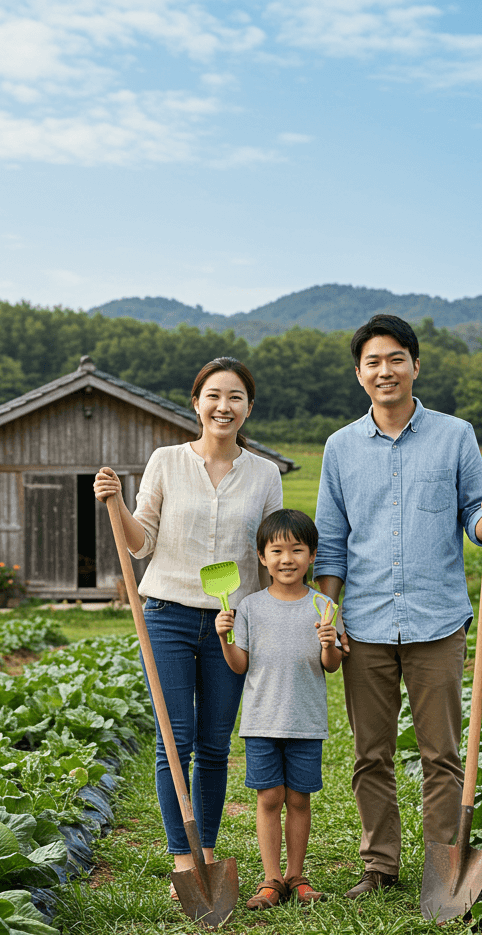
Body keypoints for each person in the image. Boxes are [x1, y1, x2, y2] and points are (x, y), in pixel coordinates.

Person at [313, 313, 482, 899]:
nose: (385, 370)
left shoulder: (454, 435)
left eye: (396, 358)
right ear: (359, 374)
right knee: (370, 754)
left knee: (440, 753)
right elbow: (330, 538)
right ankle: (380, 866)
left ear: (415, 365)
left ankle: (442, 868)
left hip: (436, 618)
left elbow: (474, 508)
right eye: (373, 361)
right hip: (366, 621)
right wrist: (327, 616)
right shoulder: (340, 448)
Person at [93, 356, 283, 894]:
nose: (224, 406)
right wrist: (116, 504)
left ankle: (208, 849)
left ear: (249, 408)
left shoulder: (265, 474)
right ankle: (182, 857)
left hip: (232, 621)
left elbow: (269, 552)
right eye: (214, 396)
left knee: (216, 743)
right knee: (174, 741)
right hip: (168, 615)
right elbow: (140, 541)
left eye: (236, 397)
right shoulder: (166, 461)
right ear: (196, 403)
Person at [215, 509, 342, 909]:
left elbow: (332, 666)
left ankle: (296, 876)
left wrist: (329, 642)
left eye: (297, 550)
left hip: (306, 720)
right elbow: (240, 664)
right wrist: (224, 637)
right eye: (277, 550)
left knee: (300, 799)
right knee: (269, 797)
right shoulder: (250, 607)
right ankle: (271, 880)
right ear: (261, 557)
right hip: (262, 720)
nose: (287, 559)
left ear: (312, 556)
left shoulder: (324, 606)